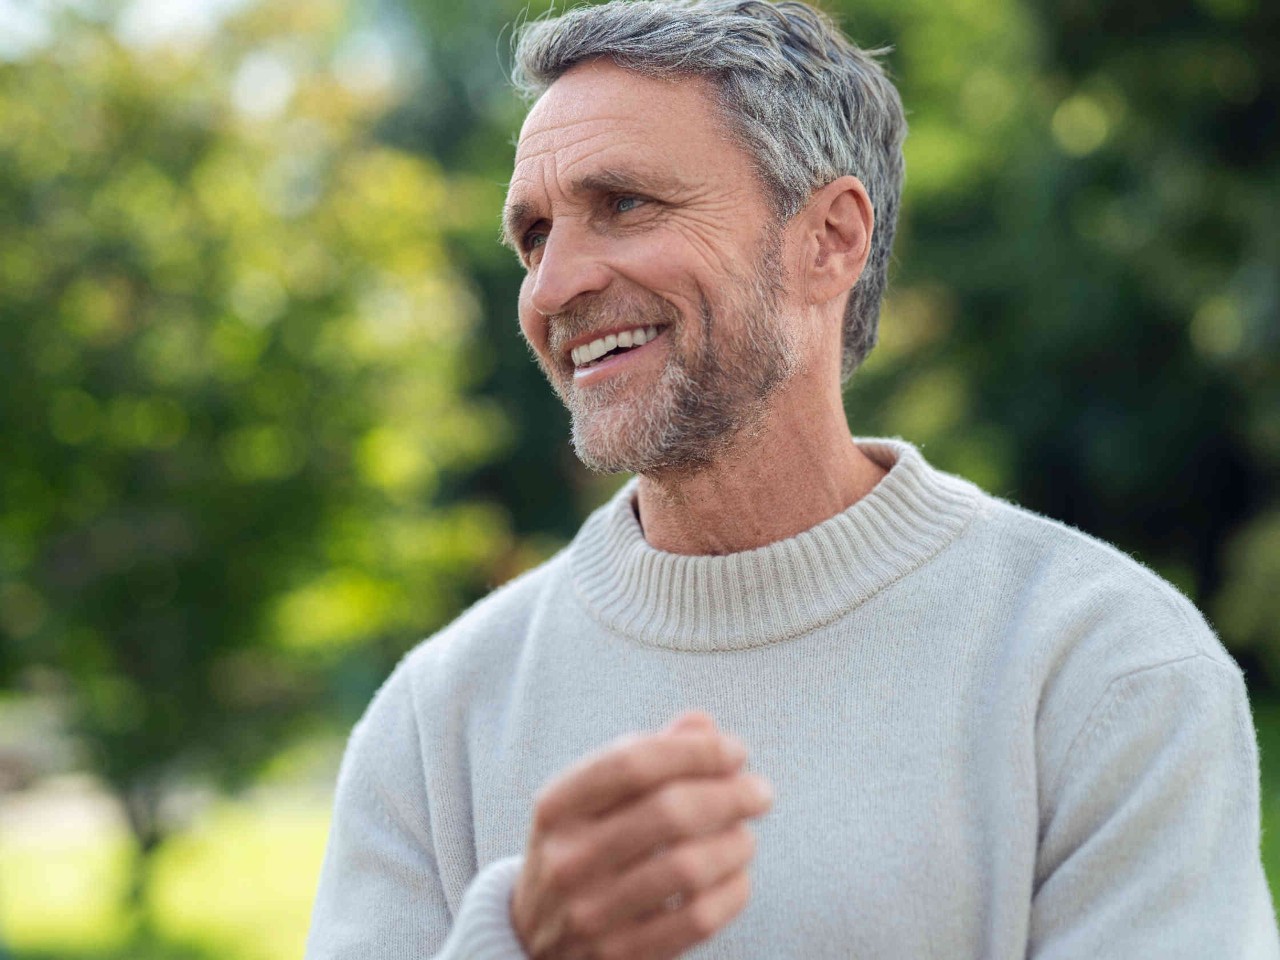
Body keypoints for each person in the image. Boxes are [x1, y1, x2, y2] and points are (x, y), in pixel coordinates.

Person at [304, 1, 1280, 957]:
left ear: (829, 239)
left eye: (625, 205)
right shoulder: (433, 721)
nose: (552, 287)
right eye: (532, 237)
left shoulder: (1107, 669)